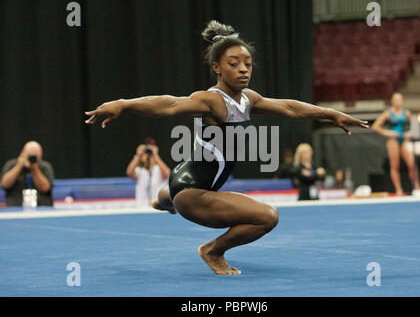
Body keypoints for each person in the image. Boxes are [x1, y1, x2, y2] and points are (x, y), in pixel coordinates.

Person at [85, 20, 369, 275]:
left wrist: (330, 113)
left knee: (174, 191)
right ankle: (212, 250)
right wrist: (123, 104)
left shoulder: (248, 99)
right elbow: (170, 103)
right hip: (193, 192)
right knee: (267, 217)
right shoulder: (212, 101)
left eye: (247, 63)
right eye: (234, 64)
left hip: (185, 176)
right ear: (217, 68)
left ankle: (163, 200)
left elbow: (288, 107)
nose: (243, 69)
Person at [372, 92, 420, 195]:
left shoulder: (406, 113)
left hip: (403, 139)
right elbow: (375, 126)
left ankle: (417, 187)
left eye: (400, 99)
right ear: (392, 101)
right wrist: (387, 132)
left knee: (412, 164)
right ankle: (399, 189)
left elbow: (416, 127)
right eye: (396, 99)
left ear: (402, 101)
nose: (398, 101)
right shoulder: (387, 113)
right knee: (395, 166)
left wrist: (410, 133)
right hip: (393, 140)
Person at [0, 141, 54, 207]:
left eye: (35, 156)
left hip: (41, 208)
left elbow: (45, 188)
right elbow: (5, 184)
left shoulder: (45, 166)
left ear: (41, 155)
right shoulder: (12, 164)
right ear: (23, 153)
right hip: (15, 208)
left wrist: (34, 169)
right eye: (30, 155)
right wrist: (19, 166)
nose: (31, 158)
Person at [126, 138, 170, 206]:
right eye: (145, 153)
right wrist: (138, 155)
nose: (148, 156)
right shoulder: (140, 170)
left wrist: (155, 155)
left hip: (158, 206)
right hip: (141, 207)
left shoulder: (159, 169)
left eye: (150, 154)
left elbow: (167, 174)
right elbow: (129, 172)